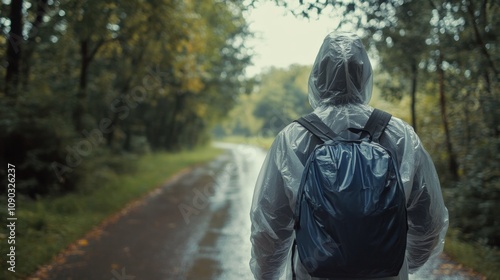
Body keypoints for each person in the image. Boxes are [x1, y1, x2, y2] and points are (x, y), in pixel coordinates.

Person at [249, 32, 449, 280]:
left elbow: (269, 228)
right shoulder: (400, 135)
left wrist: (265, 276)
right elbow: (430, 221)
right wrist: (401, 264)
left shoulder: (292, 138)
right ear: (365, 76)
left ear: (318, 77)